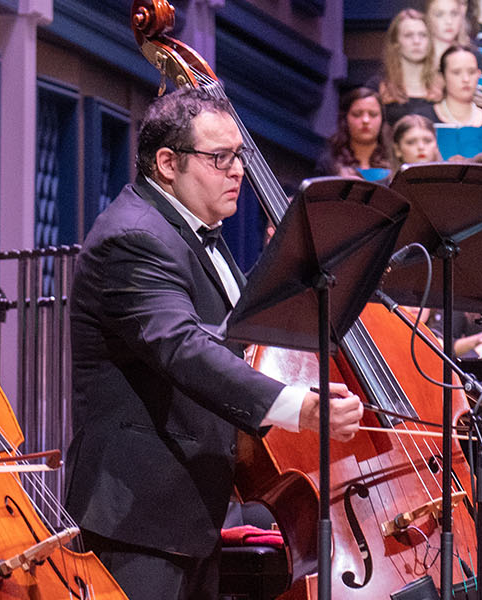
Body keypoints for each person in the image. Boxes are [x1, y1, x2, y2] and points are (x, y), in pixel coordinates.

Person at [63, 87, 363, 600]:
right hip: (138, 520)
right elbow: (181, 346)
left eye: (238, 157)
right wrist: (298, 408)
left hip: (189, 513)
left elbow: (237, 333)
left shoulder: (195, 230)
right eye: (219, 158)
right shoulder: (134, 237)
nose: (238, 171)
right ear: (166, 163)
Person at [422, 44, 482, 133]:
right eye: (456, 72)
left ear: (478, 75)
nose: (466, 79)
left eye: (471, 72)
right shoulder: (422, 121)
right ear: (442, 77)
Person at [381, 9, 444, 124]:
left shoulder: (444, 87)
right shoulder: (380, 87)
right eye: (409, 35)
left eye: (423, 35)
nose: (416, 41)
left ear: (430, 41)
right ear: (396, 42)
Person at [318, 87, 393, 178]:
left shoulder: (395, 163)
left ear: (382, 119)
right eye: (357, 114)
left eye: (373, 114)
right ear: (345, 119)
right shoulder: (328, 164)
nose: (366, 120)